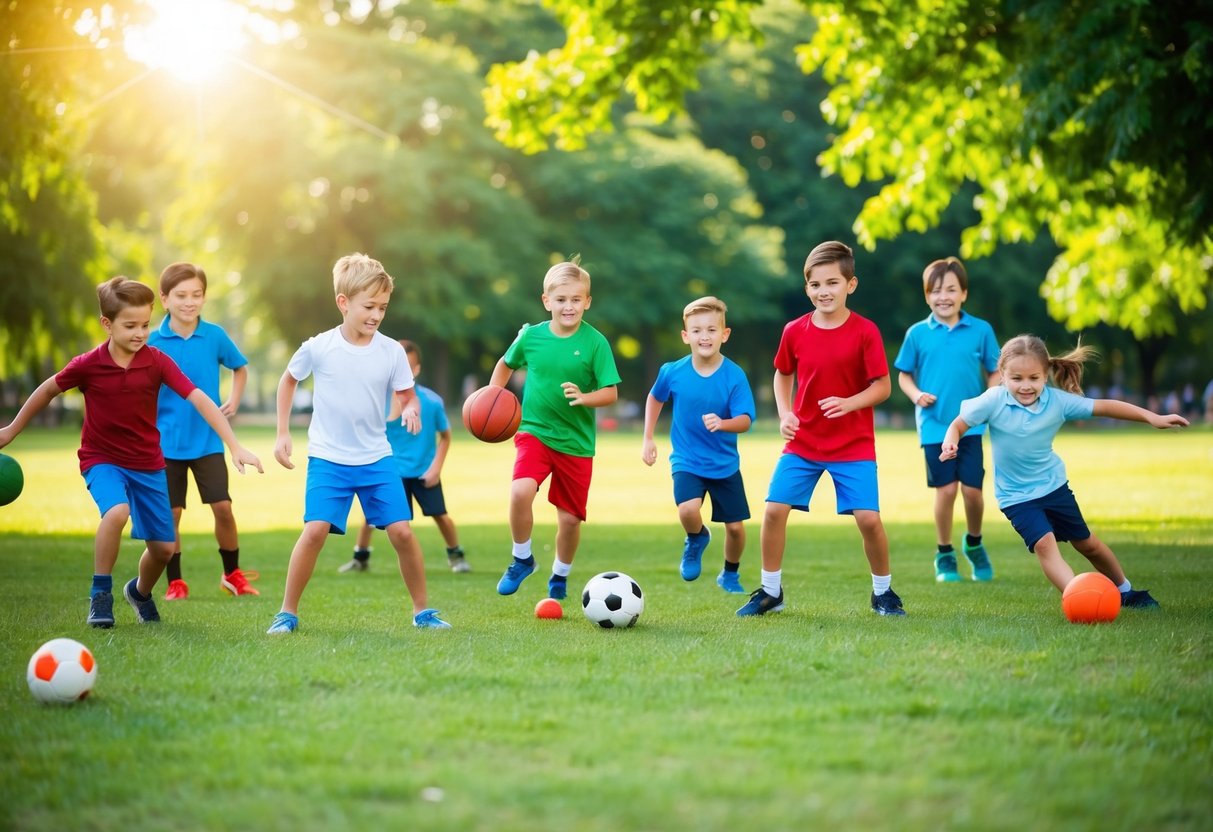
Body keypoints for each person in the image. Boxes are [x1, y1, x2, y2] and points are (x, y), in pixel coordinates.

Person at [0, 277, 262, 628]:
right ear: (107, 324)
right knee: (117, 512)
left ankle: (139, 592)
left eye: (144, 324)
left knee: (163, 550)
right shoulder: (88, 364)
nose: (140, 333)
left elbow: (199, 398)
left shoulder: (156, 361)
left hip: (148, 465)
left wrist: (234, 444)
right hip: (102, 459)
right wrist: (10, 430)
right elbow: (48, 390)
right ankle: (100, 594)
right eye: (130, 326)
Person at [266, 253, 451, 634]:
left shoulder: (391, 351)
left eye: (382, 307)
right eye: (369, 306)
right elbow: (288, 381)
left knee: (402, 531)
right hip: (328, 458)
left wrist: (411, 409)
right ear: (343, 302)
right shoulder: (319, 346)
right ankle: (287, 612)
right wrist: (283, 432)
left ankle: (423, 611)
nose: (376, 315)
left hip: (376, 458)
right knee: (315, 530)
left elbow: (407, 394)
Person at [940, 334, 1187, 605]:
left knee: (1087, 544)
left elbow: (1105, 407)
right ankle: (1080, 598)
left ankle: (1125, 590)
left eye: (1034, 378)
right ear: (1002, 374)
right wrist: (951, 442)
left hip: (1054, 487)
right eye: (1017, 378)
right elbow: (958, 425)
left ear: (1046, 375)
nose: (1026, 386)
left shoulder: (1058, 402)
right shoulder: (993, 400)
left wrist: (1153, 417)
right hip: (1016, 497)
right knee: (1045, 544)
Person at [738, 240, 906, 617]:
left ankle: (883, 593)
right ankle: (770, 591)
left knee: (869, 520)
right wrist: (785, 414)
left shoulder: (866, 331)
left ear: (851, 284)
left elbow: (882, 386)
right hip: (804, 443)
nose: (823, 291)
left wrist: (850, 403)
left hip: (854, 444)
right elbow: (782, 375)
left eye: (832, 283)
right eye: (815, 285)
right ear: (807, 289)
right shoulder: (794, 331)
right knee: (773, 510)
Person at [491, 258, 621, 601]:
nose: (568, 306)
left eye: (576, 300)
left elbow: (611, 393)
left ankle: (560, 574)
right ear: (546, 300)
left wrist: (585, 397)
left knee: (570, 521)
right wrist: (493, 398)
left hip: (576, 443)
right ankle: (522, 558)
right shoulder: (531, 337)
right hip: (534, 432)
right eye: (561, 299)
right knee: (520, 492)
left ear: (587, 302)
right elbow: (505, 365)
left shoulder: (596, 343)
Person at [145, 261, 258, 600]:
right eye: (181, 295)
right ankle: (175, 582)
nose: (189, 302)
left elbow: (240, 368)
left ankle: (232, 575)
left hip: (209, 440)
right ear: (165, 299)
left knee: (223, 507)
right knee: (172, 514)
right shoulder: (150, 341)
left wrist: (234, 402)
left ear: (204, 298)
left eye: (196, 295)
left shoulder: (215, 336)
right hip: (166, 444)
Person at [894, 257, 1000, 583]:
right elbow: (904, 375)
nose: (944, 296)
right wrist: (916, 395)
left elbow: (995, 371)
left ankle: (974, 542)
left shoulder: (981, 330)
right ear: (927, 296)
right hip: (934, 425)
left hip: (970, 424)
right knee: (947, 490)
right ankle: (944, 554)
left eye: (952, 289)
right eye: (937, 291)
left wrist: (987, 399)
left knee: (972, 492)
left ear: (964, 294)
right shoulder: (917, 334)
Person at [641, 296, 755, 593]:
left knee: (735, 529)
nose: (704, 336)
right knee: (688, 510)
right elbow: (655, 398)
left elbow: (745, 419)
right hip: (687, 459)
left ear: (724, 334)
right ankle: (696, 537)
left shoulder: (734, 375)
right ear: (685, 335)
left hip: (724, 464)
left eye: (711, 330)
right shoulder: (672, 372)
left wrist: (723, 423)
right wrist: (648, 437)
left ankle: (730, 573)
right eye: (697, 330)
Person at [342, 339, 471, 575]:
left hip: (424, 471)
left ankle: (456, 555)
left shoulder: (431, 402)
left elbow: (445, 437)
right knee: (372, 518)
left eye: (408, 367)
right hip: (392, 472)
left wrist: (436, 469)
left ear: (417, 369)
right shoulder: (379, 401)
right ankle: (360, 557)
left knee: (441, 516)